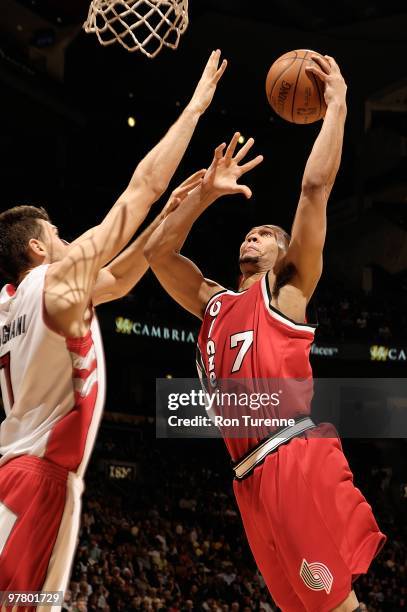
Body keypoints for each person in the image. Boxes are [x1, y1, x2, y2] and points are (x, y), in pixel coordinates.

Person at [144, 54, 386, 611]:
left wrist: (337, 107)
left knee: (336, 607)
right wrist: (204, 191)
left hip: (290, 453)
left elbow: (314, 191)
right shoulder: (213, 302)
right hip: (247, 476)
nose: (253, 236)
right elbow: (159, 255)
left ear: (282, 251)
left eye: (264, 234)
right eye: (249, 232)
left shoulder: (287, 289)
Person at [0, 50, 226, 607]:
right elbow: (137, 188)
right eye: (56, 234)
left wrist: (171, 215)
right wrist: (195, 109)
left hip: (7, 470)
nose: (65, 238)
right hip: (40, 476)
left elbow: (122, 278)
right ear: (37, 247)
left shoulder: (8, 302)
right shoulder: (54, 283)